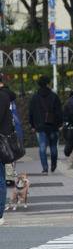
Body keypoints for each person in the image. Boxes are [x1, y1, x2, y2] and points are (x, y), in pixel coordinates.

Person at [29, 75, 63, 175]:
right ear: (48, 83)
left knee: (42, 147)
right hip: (53, 126)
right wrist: (60, 124)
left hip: (40, 126)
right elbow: (59, 112)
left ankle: (45, 168)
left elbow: (31, 112)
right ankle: (53, 165)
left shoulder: (35, 97)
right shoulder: (54, 96)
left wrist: (32, 125)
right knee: (53, 146)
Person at [0, 73, 17, 226]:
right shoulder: (7, 96)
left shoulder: (2, 97)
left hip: (0, 142)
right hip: (3, 142)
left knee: (0, 179)